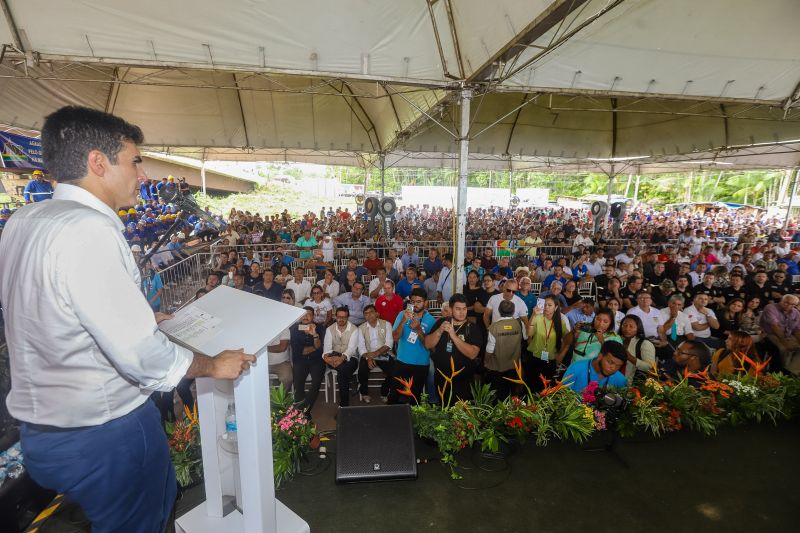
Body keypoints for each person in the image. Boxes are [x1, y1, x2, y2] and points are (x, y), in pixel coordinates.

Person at [0, 106, 256, 533]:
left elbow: (48, 307)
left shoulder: (25, 221)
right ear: (98, 162)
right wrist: (214, 365)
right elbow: (142, 355)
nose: (143, 175)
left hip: (41, 433)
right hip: (104, 434)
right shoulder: (89, 229)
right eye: (134, 160)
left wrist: (144, 314)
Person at [425, 294, 483, 402]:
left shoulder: (472, 328)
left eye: (464, 309)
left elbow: (473, 353)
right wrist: (439, 331)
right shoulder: (441, 322)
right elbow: (428, 344)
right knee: (442, 410)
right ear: (451, 310)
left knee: (459, 415)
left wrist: (453, 336)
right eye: (458, 309)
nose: (462, 312)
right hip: (441, 378)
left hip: (462, 381)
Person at [390, 288, 436, 403]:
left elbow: (430, 347)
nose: (415, 304)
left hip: (420, 365)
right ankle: (392, 419)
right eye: (413, 301)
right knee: (394, 396)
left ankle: (412, 420)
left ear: (425, 303)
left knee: (414, 399)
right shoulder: (402, 315)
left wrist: (419, 329)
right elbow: (395, 338)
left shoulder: (431, 321)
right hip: (402, 362)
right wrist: (403, 321)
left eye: (419, 302)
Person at [526, 295, 570, 393]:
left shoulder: (560, 322)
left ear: (556, 307)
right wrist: (533, 314)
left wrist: (561, 354)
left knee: (545, 389)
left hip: (550, 360)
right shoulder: (538, 317)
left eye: (549, 305)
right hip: (534, 357)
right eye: (545, 304)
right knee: (531, 386)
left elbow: (567, 339)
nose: (546, 307)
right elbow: (529, 333)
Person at [485, 300, 525, 400]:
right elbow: (526, 337)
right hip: (514, 367)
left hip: (497, 368)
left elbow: (489, 350)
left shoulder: (493, 327)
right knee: (512, 394)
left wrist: (486, 362)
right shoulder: (520, 324)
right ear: (513, 311)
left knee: (498, 396)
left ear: (499, 310)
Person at [322, 306, 360, 407]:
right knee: (344, 372)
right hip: (333, 356)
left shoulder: (354, 329)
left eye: (344, 317)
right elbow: (327, 348)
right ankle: (345, 403)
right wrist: (328, 358)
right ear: (335, 316)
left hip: (351, 357)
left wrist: (342, 358)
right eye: (339, 317)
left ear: (348, 317)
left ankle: (344, 404)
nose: (341, 319)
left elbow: (351, 349)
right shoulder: (330, 329)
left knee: (342, 373)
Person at [290, 307, 324, 415]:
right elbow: (300, 351)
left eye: (308, 314)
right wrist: (315, 348)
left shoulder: (320, 328)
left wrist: (314, 335)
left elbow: (322, 349)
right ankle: (304, 411)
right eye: (303, 314)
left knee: (316, 383)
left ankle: (304, 409)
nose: (305, 316)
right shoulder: (294, 329)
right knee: (298, 383)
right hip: (300, 360)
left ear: (313, 316)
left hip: (317, 360)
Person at [356, 304, 394, 403]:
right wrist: (369, 358)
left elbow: (389, 343)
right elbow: (361, 347)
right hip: (368, 354)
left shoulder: (386, 324)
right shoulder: (361, 328)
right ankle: (364, 393)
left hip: (383, 353)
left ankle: (384, 391)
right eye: (366, 313)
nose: (369, 315)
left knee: (394, 371)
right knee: (362, 371)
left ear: (377, 313)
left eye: (371, 312)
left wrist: (375, 354)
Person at [563, 341, 628, 394]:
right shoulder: (576, 368)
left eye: (618, 366)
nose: (613, 368)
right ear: (600, 356)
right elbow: (562, 396)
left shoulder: (620, 380)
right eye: (610, 362)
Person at [760, 294, 800, 374]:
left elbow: (796, 330)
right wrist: (785, 342)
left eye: (792, 304)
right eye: (786, 302)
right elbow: (775, 327)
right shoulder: (770, 307)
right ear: (781, 300)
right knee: (783, 349)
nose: (789, 305)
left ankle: (790, 371)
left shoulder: (796, 313)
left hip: (788, 335)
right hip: (770, 334)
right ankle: (779, 371)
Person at [619, 315, 657, 384]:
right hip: (615, 380)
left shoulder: (645, 344)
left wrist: (630, 358)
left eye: (631, 326)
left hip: (634, 385)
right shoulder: (618, 340)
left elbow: (650, 368)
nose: (627, 329)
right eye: (624, 325)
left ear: (638, 328)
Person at [267, 326, 293, 392]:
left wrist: (264, 349)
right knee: (254, 378)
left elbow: (282, 347)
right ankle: (262, 397)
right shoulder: (258, 327)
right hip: (260, 363)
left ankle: (280, 398)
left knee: (287, 378)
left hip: (281, 363)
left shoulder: (284, 327)